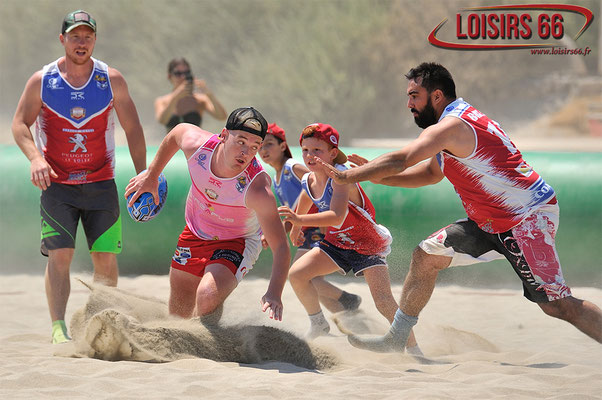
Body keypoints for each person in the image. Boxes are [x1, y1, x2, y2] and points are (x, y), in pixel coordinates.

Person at [315, 62, 602, 352]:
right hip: (490, 222)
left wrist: (348, 175)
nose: (409, 104)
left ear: (437, 96)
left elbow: (404, 158)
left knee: (558, 306)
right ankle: (397, 339)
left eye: (415, 96)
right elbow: (429, 174)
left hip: (526, 220)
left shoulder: (452, 126)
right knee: (425, 256)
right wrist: (378, 175)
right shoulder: (453, 124)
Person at [11, 10, 147, 344]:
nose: (81, 42)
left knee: (104, 257)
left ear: (95, 40)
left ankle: (102, 323)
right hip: (57, 185)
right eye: (75, 36)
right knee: (61, 256)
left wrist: (146, 175)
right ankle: (59, 327)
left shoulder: (111, 79)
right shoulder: (42, 80)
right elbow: (19, 124)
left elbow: (133, 128)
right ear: (63, 40)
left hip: (101, 183)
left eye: (87, 36)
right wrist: (35, 159)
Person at [125, 107, 290, 322]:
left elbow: (281, 248)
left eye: (254, 147)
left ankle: (210, 341)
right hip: (195, 231)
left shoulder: (257, 189)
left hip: (236, 240)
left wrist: (274, 293)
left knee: (207, 296)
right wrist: (152, 175)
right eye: (240, 141)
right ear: (223, 135)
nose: (245, 152)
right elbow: (177, 132)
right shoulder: (198, 147)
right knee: (178, 312)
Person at [278, 123, 421, 353]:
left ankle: (413, 348)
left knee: (383, 302)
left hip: (367, 245)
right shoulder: (309, 179)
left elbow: (335, 217)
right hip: (338, 244)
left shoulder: (341, 176)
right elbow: (306, 197)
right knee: (297, 275)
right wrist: (295, 229)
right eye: (305, 150)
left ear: (333, 153)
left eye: (317, 151)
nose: (310, 156)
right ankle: (318, 323)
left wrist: (299, 221)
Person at [258, 122, 362, 314]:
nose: (263, 150)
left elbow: (318, 182)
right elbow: (294, 209)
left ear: (283, 146)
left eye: (269, 144)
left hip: (317, 225)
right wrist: (285, 228)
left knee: (302, 275)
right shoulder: (276, 177)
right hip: (306, 226)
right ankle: (344, 311)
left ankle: (345, 301)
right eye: (260, 145)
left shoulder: (292, 167)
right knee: (308, 278)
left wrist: (313, 218)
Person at [154, 57, 227, 133]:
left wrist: (210, 95)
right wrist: (175, 97)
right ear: (169, 76)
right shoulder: (162, 101)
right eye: (178, 74)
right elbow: (162, 120)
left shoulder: (200, 100)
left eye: (186, 73)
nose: (183, 77)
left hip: (194, 144)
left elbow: (222, 117)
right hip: (171, 144)